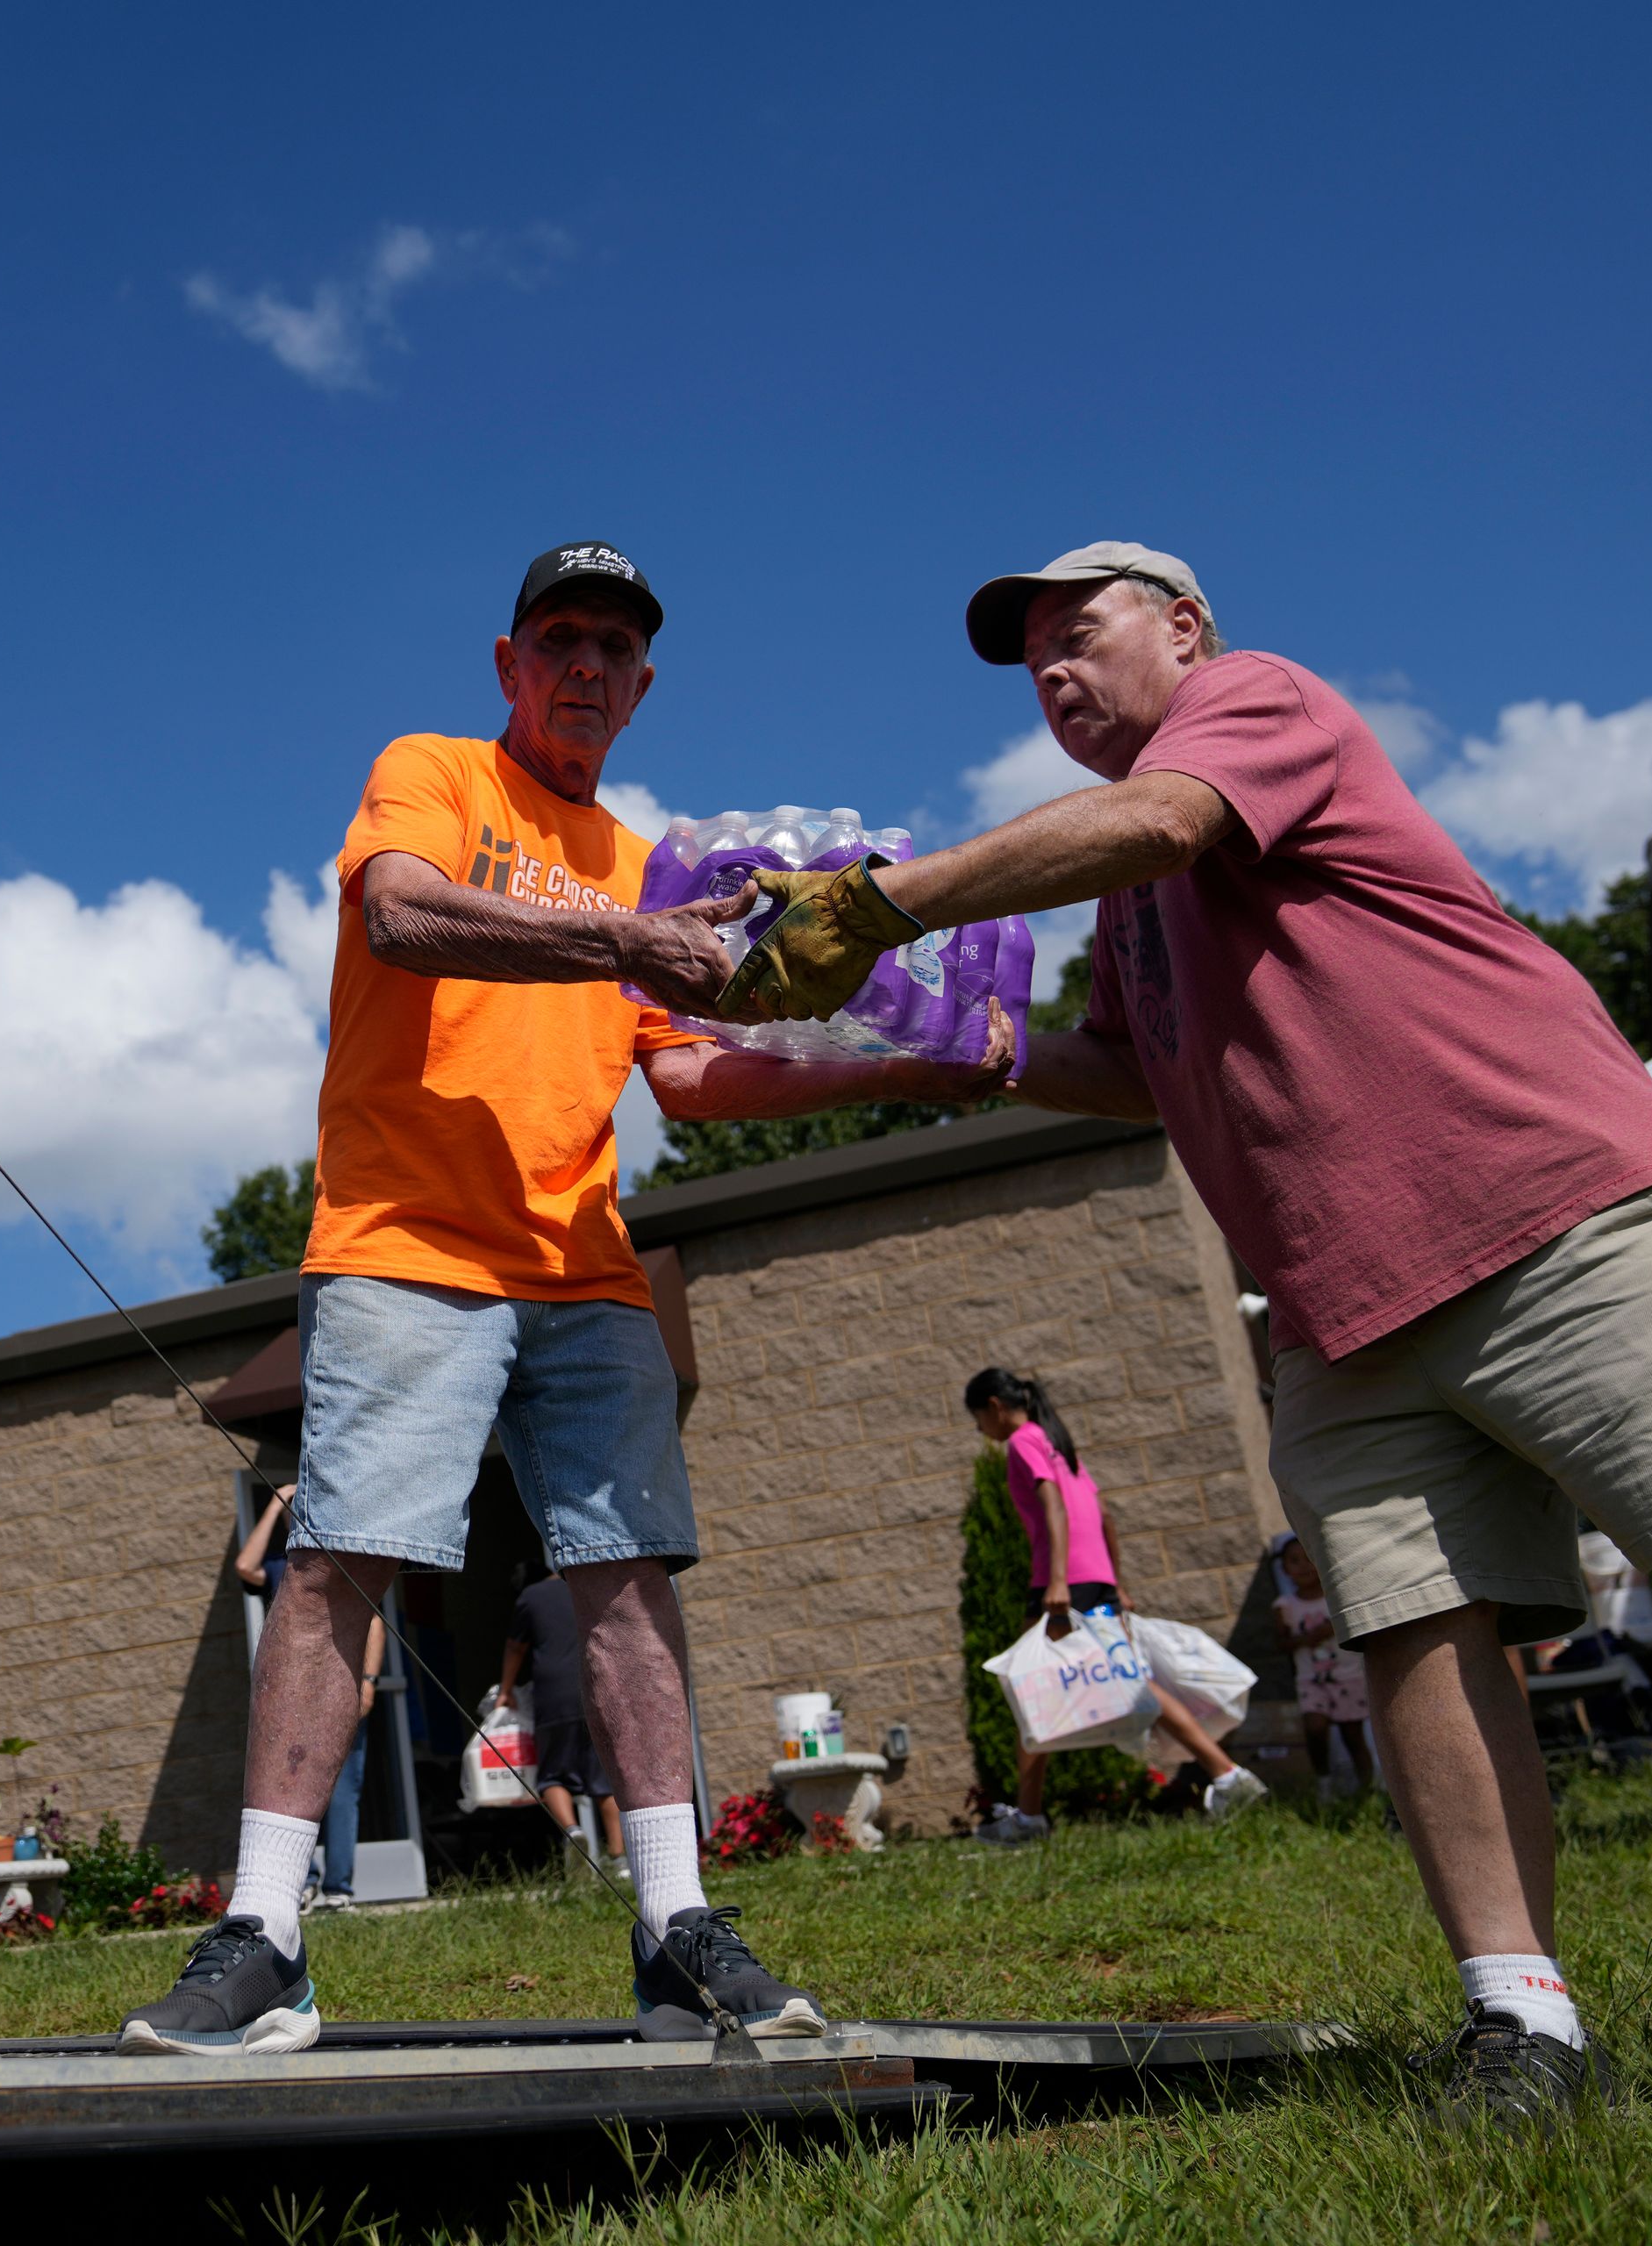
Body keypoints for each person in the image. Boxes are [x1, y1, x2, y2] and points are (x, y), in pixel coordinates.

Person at [718, 538, 1652, 2120]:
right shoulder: (1137, 912)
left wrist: (871, 905)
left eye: (1079, 637)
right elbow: (1121, 1067)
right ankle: (1523, 2021)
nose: (1057, 678)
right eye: (1035, 670)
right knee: (1421, 1634)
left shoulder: (1251, 708)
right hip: (1339, 1306)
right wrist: (873, 1052)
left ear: (1187, 627)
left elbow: (1159, 814)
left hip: (1542, 1207)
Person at [119, 542, 1012, 2056]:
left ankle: (676, 1928)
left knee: (630, 1575)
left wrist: (917, 1068)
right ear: (511, 664)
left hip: (583, 1258)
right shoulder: (439, 774)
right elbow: (401, 913)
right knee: (343, 1560)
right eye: (562, 638)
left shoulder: (651, 859)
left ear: (644, 685)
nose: (588, 665)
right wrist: (619, 938)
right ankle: (266, 1936)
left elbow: (687, 1074)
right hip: (407, 1239)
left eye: (617, 647)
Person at [960, 1367, 1265, 1842]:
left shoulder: (1023, 1443)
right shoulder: (1059, 1443)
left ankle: (1030, 1818)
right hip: (1096, 1583)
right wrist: (1115, 1583)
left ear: (994, 1408)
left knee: (1032, 1690)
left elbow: (1054, 1507)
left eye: (978, 1419)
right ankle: (1227, 1775)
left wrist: (1057, 1581)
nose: (982, 1431)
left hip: (1064, 1586)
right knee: (1129, 1681)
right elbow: (1104, 1517)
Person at [236, 1485, 380, 1908]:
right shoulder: (284, 1569)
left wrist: (368, 1679)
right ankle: (301, 1883)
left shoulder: (340, 1560)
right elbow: (246, 1565)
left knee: (344, 1791)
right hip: (292, 1699)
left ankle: (339, 1889)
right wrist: (273, 1504)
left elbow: (371, 1621)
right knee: (288, 1788)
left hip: (343, 1689)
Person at [499, 1557, 619, 1860]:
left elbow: (516, 1646)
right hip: (595, 1687)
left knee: (552, 1775)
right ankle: (619, 1859)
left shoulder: (530, 1597)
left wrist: (505, 1690)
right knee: (604, 1778)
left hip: (554, 1696)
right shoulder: (580, 1586)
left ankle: (573, 1832)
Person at [1273, 1532, 1376, 1794]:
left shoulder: (1337, 1597)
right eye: (1294, 1560)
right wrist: (1308, 1638)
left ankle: (1369, 1790)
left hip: (1347, 1676)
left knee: (1353, 1734)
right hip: (1311, 1680)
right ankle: (1324, 1784)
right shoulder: (1285, 1606)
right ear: (1285, 1569)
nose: (1304, 1565)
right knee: (1315, 1727)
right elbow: (1280, 1644)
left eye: (1308, 1558)